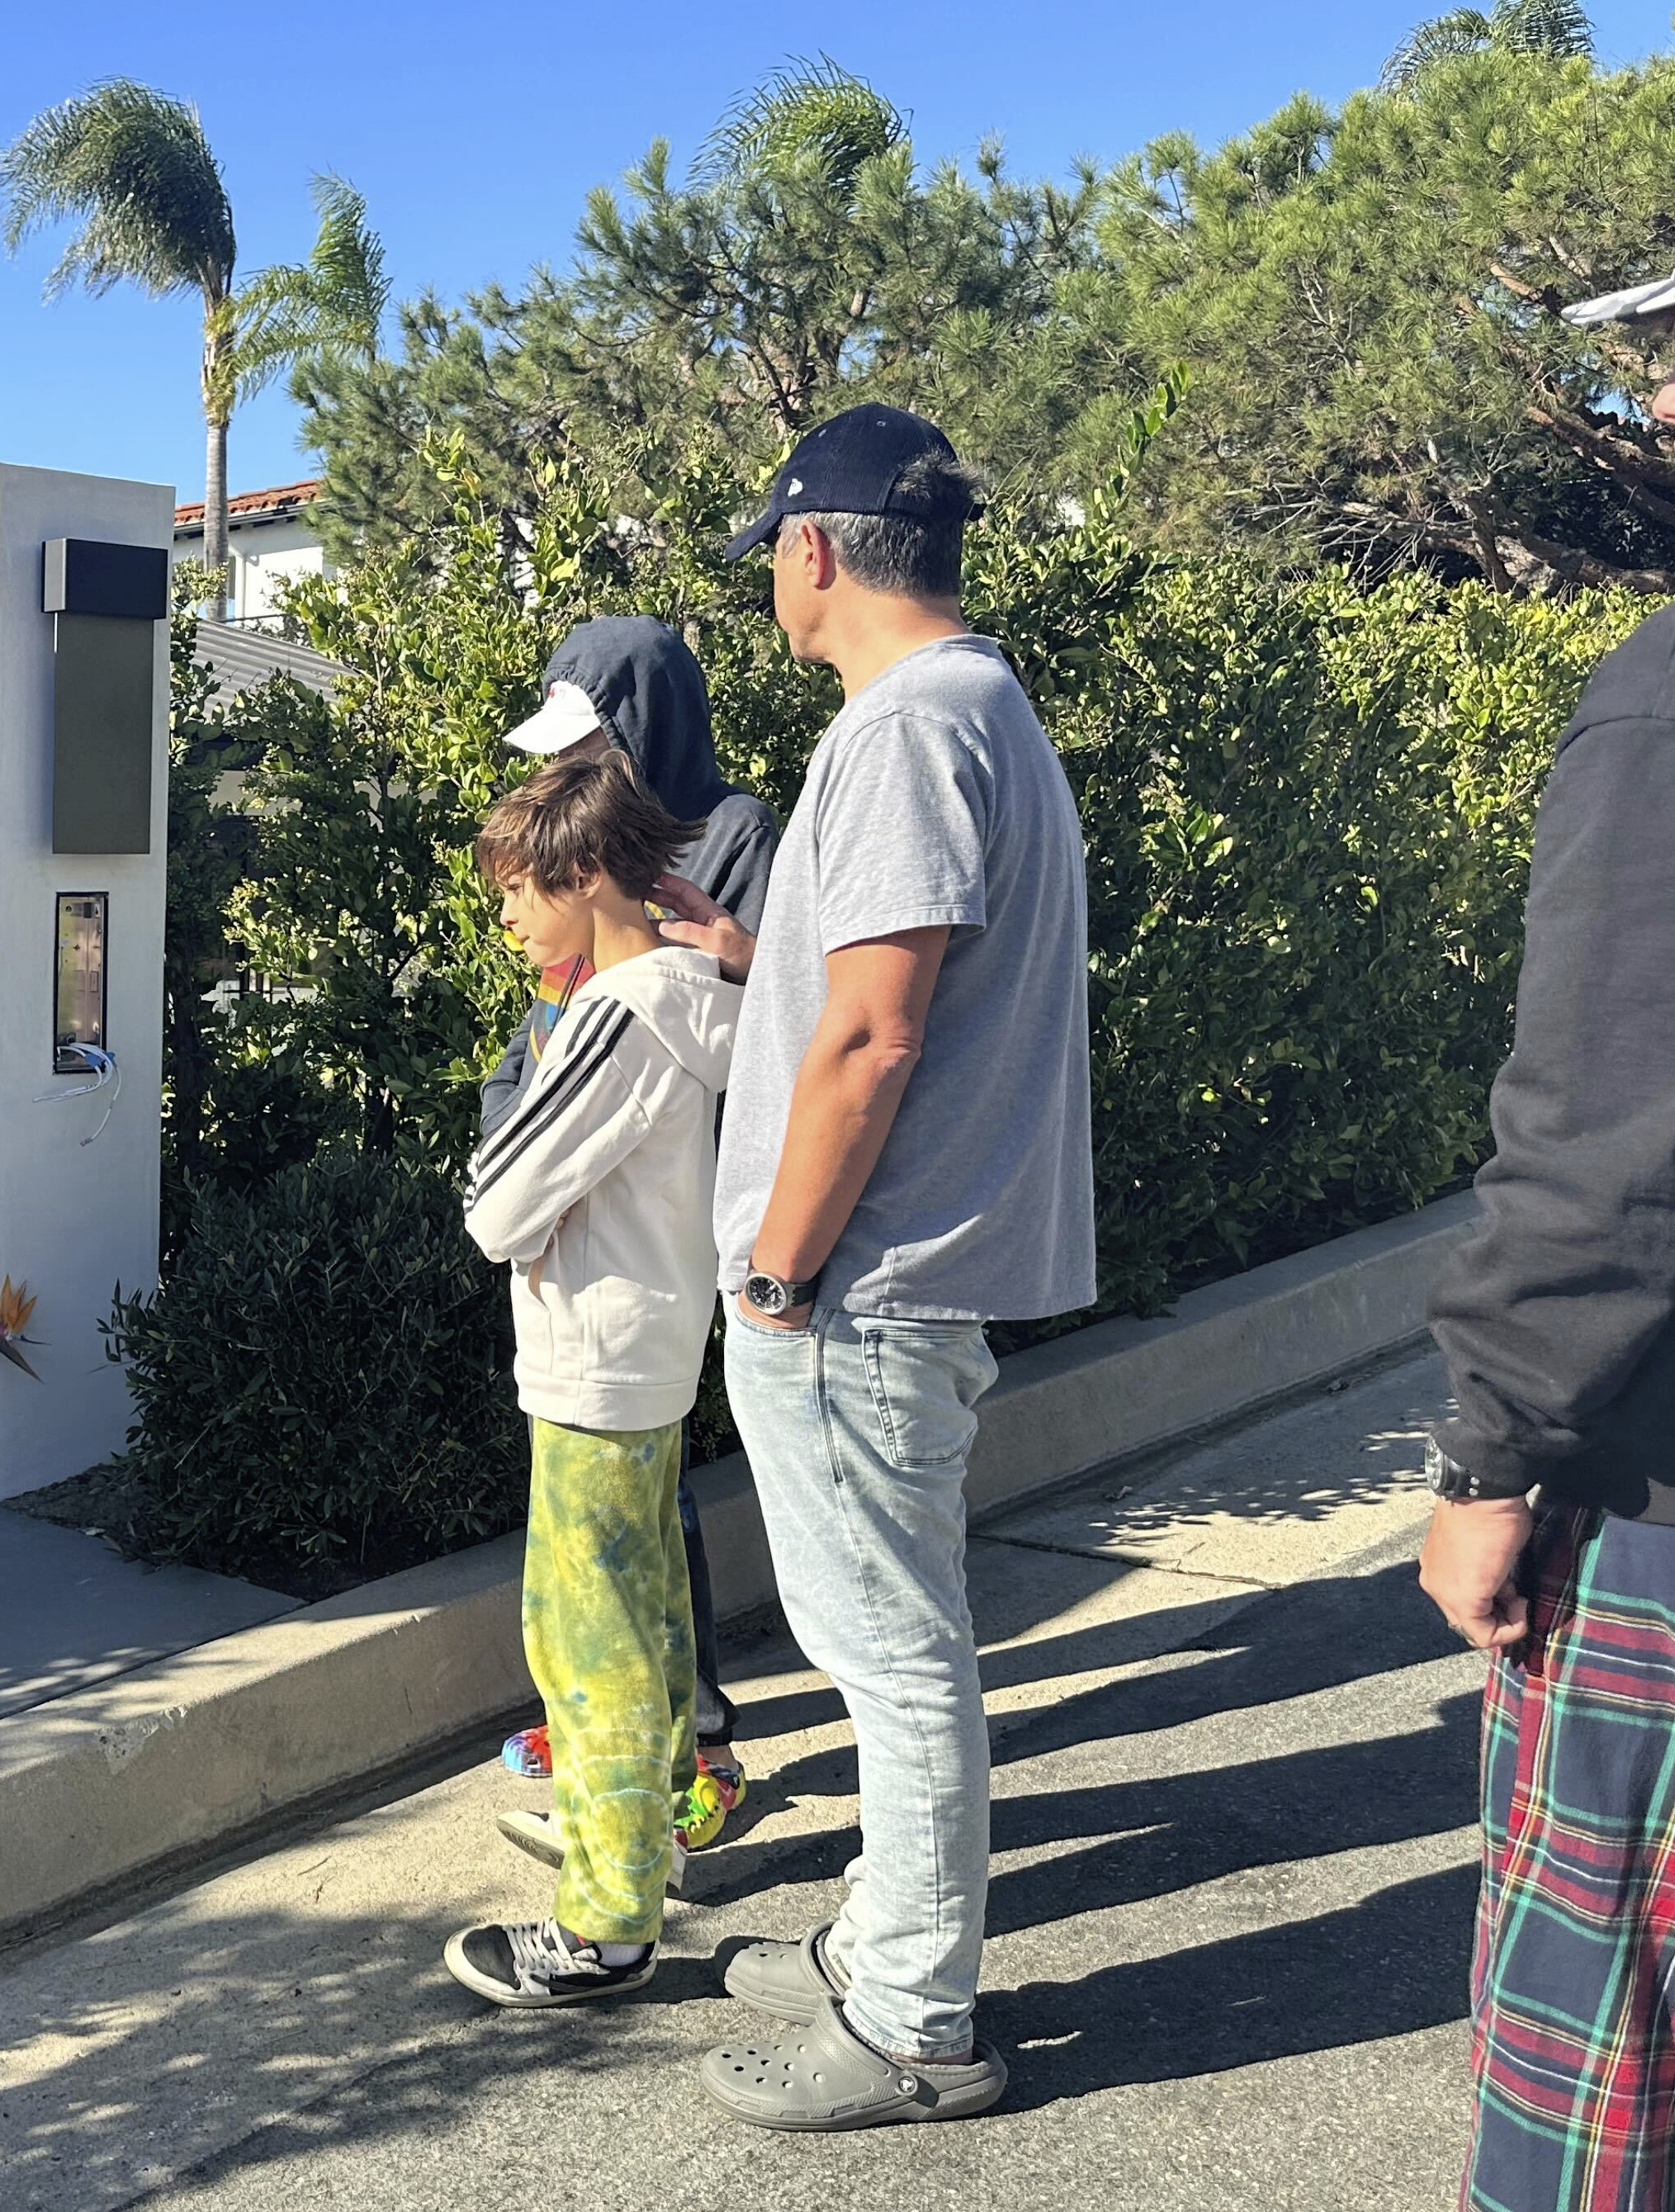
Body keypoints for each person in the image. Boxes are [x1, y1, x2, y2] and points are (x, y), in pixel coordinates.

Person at [656, 403, 1093, 2129]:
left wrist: (774, 1272)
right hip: (908, 1277)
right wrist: (760, 951)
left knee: (894, 1660)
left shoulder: (906, 728)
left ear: (813, 550)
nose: (772, 581)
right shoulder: (978, 708)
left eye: (771, 551)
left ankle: (912, 2015)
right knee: (897, 1644)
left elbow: (878, 1038)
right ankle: (880, 1946)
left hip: (862, 1288)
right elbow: (881, 981)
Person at [1417, 204, 1675, 2212]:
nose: (1662, 387)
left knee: (1602, 2104)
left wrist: (1492, 1443)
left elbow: (1612, 1140)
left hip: (1672, 1515)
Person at [442, 744, 742, 2007]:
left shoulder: (619, 1017)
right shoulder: (699, 994)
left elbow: (500, 1202)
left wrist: (487, 1191)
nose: (507, 914)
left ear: (583, 876)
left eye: (519, 887)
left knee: (587, 1641)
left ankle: (604, 1921)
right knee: (651, 1619)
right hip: (651, 1347)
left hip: (593, 1363)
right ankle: (648, 1837)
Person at [483, 618, 775, 1855]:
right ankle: (640, 1750)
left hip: (640, 1246)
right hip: (613, 1246)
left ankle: (641, 1818)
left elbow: (733, 1021)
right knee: (627, 1561)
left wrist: (526, 1138)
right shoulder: (603, 920)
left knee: (612, 1580)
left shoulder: (730, 841)